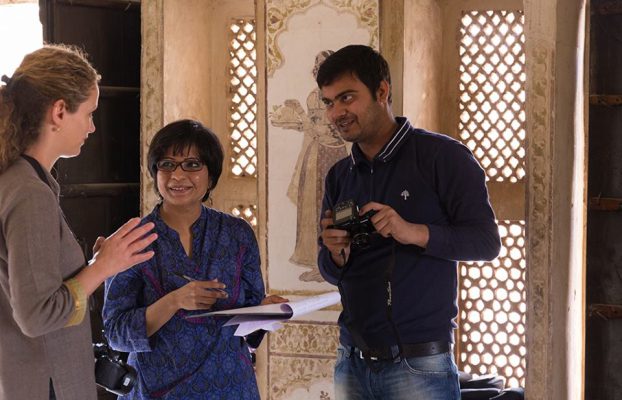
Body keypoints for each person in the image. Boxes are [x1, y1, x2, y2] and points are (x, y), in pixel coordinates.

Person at [316, 45, 501, 400]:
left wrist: (411, 232)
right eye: (329, 102)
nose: (337, 113)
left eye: (347, 98)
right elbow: (329, 269)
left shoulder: (443, 157)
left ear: (382, 91)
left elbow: (486, 243)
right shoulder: (340, 175)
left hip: (419, 364)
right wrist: (336, 253)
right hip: (351, 361)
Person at [0, 44, 158, 400]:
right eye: (88, 113)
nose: (92, 127)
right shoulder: (28, 193)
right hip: (46, 385)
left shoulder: (22, 181)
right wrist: (102, 268)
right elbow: (37, 316)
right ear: (59, 111)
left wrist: (94, 266)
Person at [102, 119, 287, 400]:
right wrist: (174, 301)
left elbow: (250, 326)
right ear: (155, 173)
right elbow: (116, 333)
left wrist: (265, 311)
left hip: (231, 388)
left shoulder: (237, 234)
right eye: (167, 164)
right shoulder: (132, 240)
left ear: (211, 176)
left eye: (192, 164)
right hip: (158, 390)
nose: (177, 175)